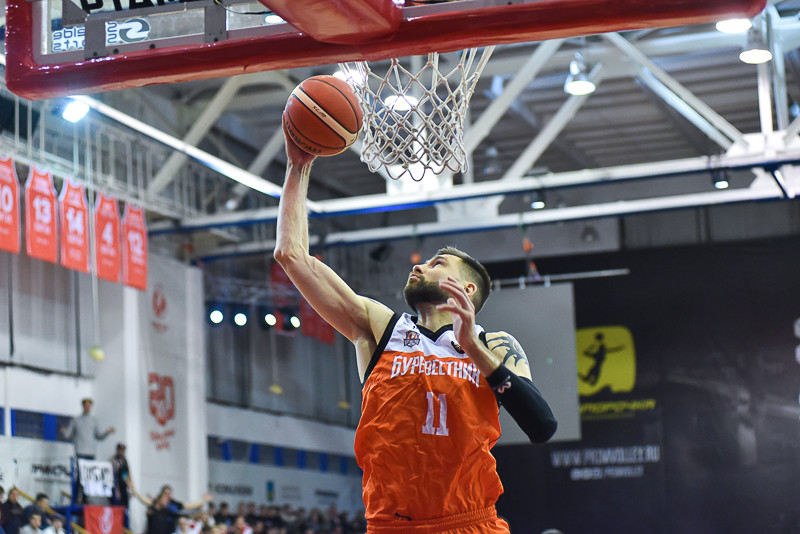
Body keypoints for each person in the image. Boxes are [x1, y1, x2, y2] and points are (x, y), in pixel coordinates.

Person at [274, 128, 558, 533]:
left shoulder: (494, 345)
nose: (419, 265)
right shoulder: (379, 328)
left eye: (437, 263)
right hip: (393, 526)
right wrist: (298, 167)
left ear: (467, 289)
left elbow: (542, 426)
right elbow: (291, 255)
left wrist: (472, 347)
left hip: (469, 522)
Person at [110, 443, 131, 508]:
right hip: (117, 488)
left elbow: (127, 474)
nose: (121, 452)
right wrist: (117, 490)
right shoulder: (114, 461)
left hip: (124, 488)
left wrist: (130, 487)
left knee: (125, 506)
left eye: (122, 450)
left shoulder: (124, 461)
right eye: (120, 450)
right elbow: (114, 477)